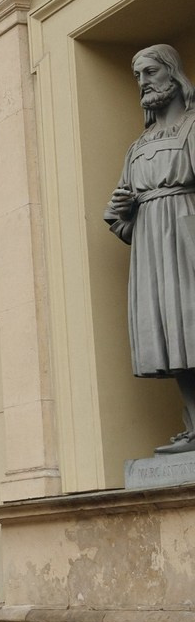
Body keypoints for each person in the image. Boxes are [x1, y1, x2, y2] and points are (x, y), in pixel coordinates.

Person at [104, 44, 195, 453]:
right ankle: (194, 426)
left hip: (188, 236)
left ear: (173, 74)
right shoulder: (137, 146)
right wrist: (122, 215)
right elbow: (125, 222)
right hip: (153, 251)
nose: (142, 82)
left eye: (150, 71)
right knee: (171, 331)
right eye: (137, 74)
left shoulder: (194, 126)